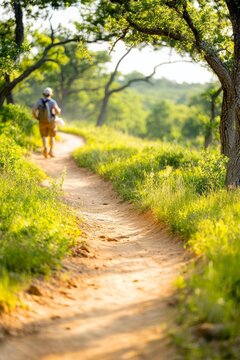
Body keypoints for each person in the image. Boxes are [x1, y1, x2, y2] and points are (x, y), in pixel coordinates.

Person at [32, 87, 61, 158]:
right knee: (52, 137)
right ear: (50, 94)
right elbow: (57, 111)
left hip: (42, 121)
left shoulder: (39, 101)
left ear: (43, 94)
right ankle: (51, 151)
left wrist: (36, 117)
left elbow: (33, 110)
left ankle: (45, 148)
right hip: (51, 122)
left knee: (44, 136)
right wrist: (57, 112)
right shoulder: (53, 102)